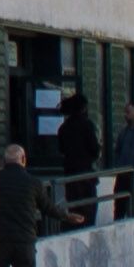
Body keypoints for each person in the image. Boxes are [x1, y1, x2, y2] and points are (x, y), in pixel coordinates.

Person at [55, 91, 101, 229]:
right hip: (85, 173)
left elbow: (61, 149)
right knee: (88, 208)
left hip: (70, 173)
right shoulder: (87, 125)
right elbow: (94, 149)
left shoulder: (64, 128)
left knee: (74, 208)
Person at [106, 100, 134, 220]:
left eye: (128, 112)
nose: (125, 115)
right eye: (125, 112)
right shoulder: (124, 132)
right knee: (119, 204)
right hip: (123, 173)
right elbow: (118, 150)